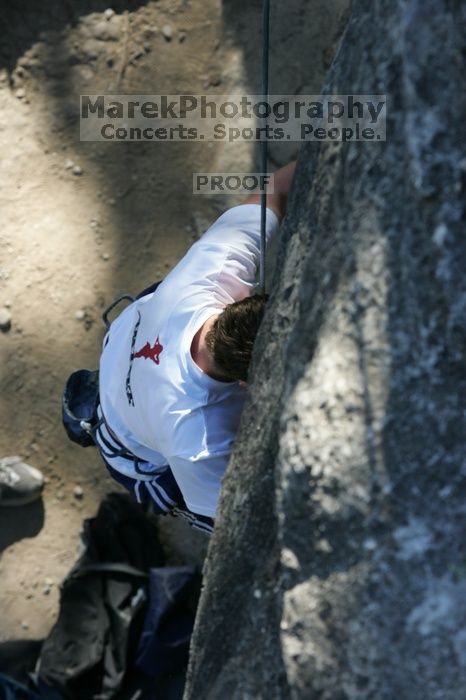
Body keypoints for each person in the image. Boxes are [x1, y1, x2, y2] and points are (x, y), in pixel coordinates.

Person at [95, 161, 297, 533]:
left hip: (125, 345)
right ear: (246, 384)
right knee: (188, 498)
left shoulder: (213, 274)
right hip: (124, 441)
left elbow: (276, 189)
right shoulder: (198, 439)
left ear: (237, 302)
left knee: (161, 290)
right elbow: (230, 523)